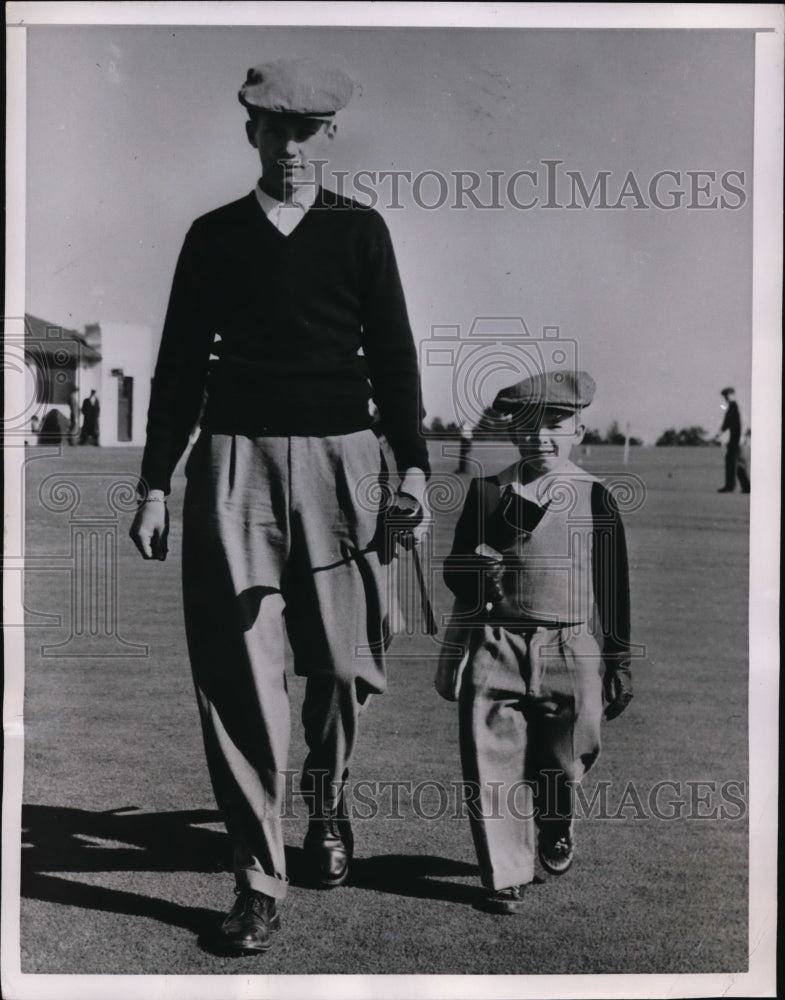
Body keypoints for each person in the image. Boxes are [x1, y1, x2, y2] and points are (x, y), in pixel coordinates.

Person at [129, 57, 429, 954]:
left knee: (343, 667)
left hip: (345, 466)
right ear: (250, 131)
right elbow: (179, 365)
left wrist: (411, 469)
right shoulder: (213, 235)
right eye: (275, 128)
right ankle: (257, 879)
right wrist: (154, 484)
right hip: (233, 468)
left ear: (330, 136)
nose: (291, 147)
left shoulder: (360, 231)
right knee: (240, 680)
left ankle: (326, 804)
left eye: (308, 131)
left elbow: (397, 359)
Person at [437, 370, 632, 914]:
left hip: (571, 649)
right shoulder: (488, 491)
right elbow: (456, 570)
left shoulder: (597, 497)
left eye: (555, 424)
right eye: (526, 424)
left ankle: (555, 816)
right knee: (491, 762)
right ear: (510, 430)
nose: (540, 436)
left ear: (579, 429)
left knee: (567, 756)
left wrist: (619, 659)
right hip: (496, 645)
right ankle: (505, 873)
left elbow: (614, 587)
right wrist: (474, 569)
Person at [713, 387, 750, 493]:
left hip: (738, 439)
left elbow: (742, 423)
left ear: (733, 395)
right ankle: (746, 487)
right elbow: (726, 424)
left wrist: (741, 438)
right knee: (738, 463)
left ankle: (730, 486)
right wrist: (718, 435)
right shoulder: (732, 407)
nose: (725, 398)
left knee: (732, 461)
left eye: (727, 395)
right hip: (738, 439)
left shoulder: (736, 407)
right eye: (725, 396)